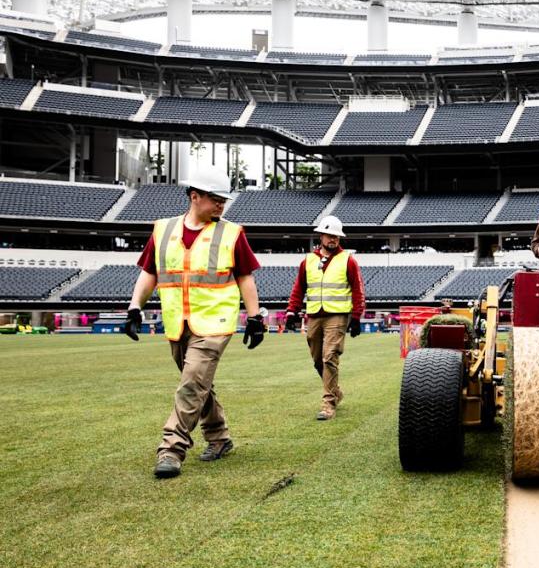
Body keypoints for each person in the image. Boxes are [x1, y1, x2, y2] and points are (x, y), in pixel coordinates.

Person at [123, 171, 265, 479]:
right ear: (194, 196)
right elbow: (150, 272)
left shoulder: (231, 233)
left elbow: (244, 276)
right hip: (178, 323)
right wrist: (135, 306)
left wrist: (255, 317)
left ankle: (171, 448)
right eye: (215, 200)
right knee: (199, 385)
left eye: (223, 201)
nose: (221, 206)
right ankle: (219, 437)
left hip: (215, 322)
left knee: (191, 384)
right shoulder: (163, 230)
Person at [285, 215, 366, 421]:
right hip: (314, 315)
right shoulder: (308, 261)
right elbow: (298, 288)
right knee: (317, 360)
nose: (333, 239)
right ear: (321, 236)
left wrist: (356, 316)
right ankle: (336, 391)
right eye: (330, 235)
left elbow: (358, 290)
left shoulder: (348, 260)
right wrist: (291, 311)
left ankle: (328, 404)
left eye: (337, 236)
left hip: (337, 316)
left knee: (329, 357)